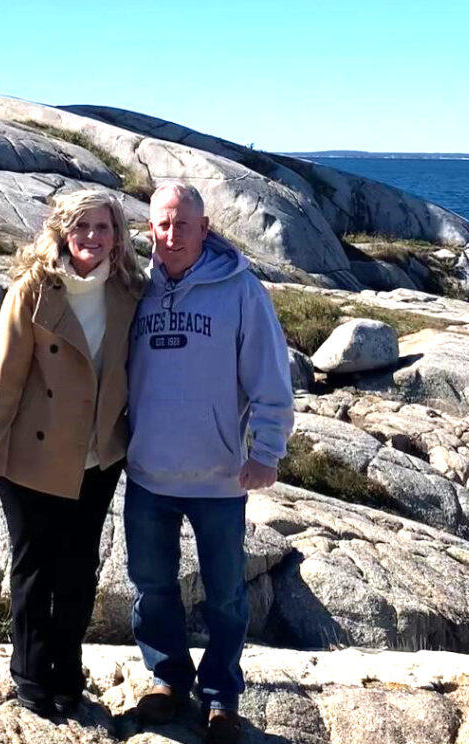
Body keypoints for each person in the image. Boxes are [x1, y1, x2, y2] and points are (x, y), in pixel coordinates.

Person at [124, 181, 293, 744]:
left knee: (225, 594)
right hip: (147, 471)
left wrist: (266, 453)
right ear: (152, 229)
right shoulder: (132, 287)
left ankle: (221, 697)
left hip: (220, 477)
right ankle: (166, 680)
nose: (172, 235)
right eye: (163, 225)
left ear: (205, 228)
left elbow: (270, 378)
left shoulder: (240, 290)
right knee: (153, 587)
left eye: (183, 225)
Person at [0, 189, 144, 717]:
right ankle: (29, 672)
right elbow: (4, 378)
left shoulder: (129, 291)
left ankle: (67, 670)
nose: (92, 238)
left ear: (118, 235)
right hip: (32, 456)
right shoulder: (33, 291)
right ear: (63, 232)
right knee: (34, 569)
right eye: (82, 227)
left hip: (98, 457)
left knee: (78, 568)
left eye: (103, 228)